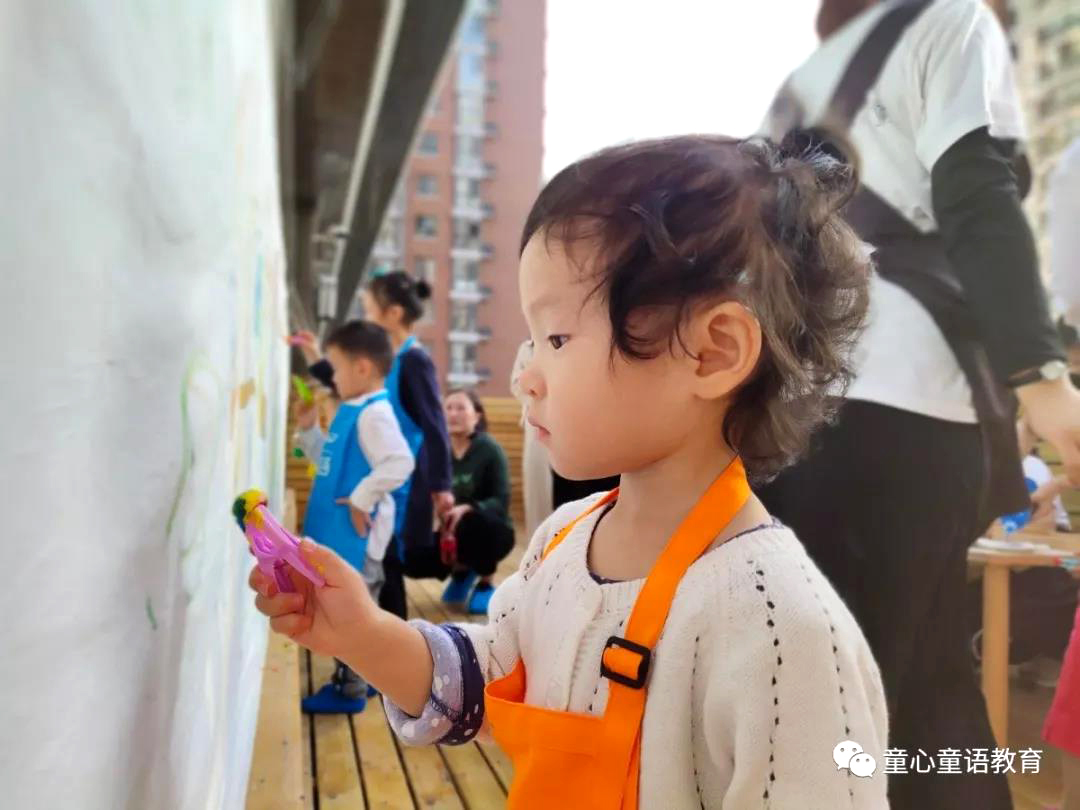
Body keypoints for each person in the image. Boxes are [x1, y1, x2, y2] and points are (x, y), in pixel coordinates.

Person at [251, 135, 890, 807]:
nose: (524, 375)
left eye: (555, 338)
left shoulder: (782, 629)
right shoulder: (562, 540)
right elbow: (490, 679)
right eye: (532, 340)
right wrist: (364, 635)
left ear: (712, 352)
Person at [758, 2, 1080, 807]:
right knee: (908, 690)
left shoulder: (800, 87)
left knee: (861, 689)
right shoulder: (952, 20)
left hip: (795, 403)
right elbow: (975, 192)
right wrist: (1041, 376)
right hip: (904, 401)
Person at [294, 271, 454, 622]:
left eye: (368, 309)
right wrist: (314, 355)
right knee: (377, 570)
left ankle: (392, 640)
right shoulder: (377, 370)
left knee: (386, 568)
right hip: (372, 475)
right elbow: (346, 381)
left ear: (393, 314)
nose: (365, 317)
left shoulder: (413, 361)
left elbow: (435, 424)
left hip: (396, 485)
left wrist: (441, 485)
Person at [293, 320, 414, 713]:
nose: (332, 377)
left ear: (362, 368)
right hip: (342, 536)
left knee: (352, 617)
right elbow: (329, 463)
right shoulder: (354, 410)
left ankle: (350, 691)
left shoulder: (374, 414)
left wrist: (362, 499)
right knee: (351, 612)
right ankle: (370, 679)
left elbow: (400, 462)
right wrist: (308, 430)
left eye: (336, 368)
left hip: (358, 542)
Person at [405, 389, 515, 615]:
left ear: (477, 416)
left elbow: (501, 501)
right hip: (447, 531)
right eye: (448, 408)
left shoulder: (490, 450)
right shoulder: (432, 451)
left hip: (489, 529)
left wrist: (467, 508)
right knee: (410, 556)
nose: (453, 414)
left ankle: (485, 582)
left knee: (475, 523)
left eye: (461, 408)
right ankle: (462, 571)